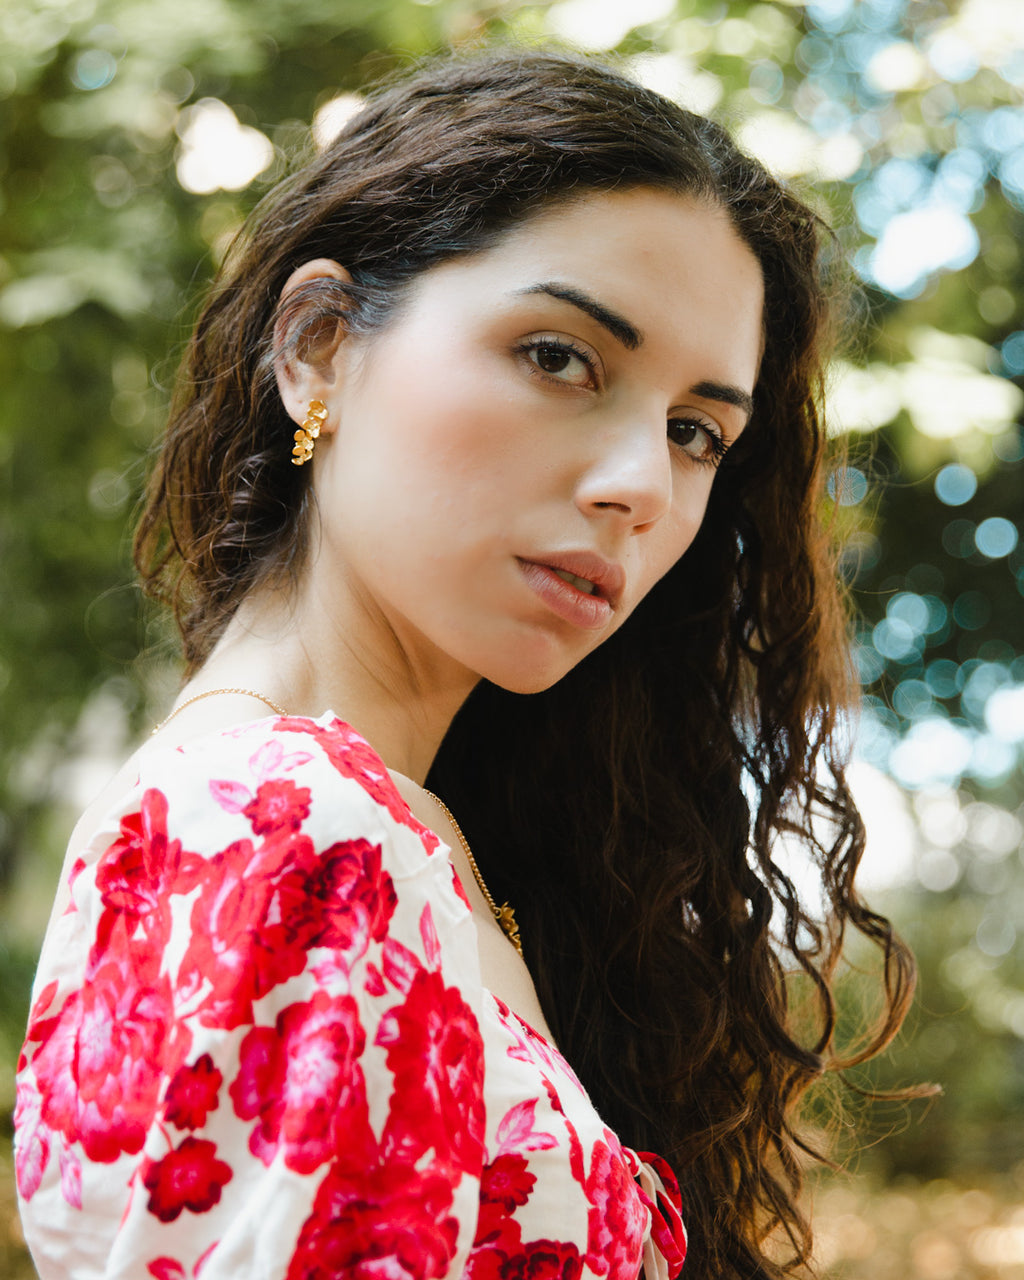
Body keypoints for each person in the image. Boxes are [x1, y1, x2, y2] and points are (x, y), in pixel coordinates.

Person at [14, 46, 917, 1280]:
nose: (641, 486)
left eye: (696, 431)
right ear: (319, 344)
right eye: (559, 356)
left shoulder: (407, 830)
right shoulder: (274, 824)